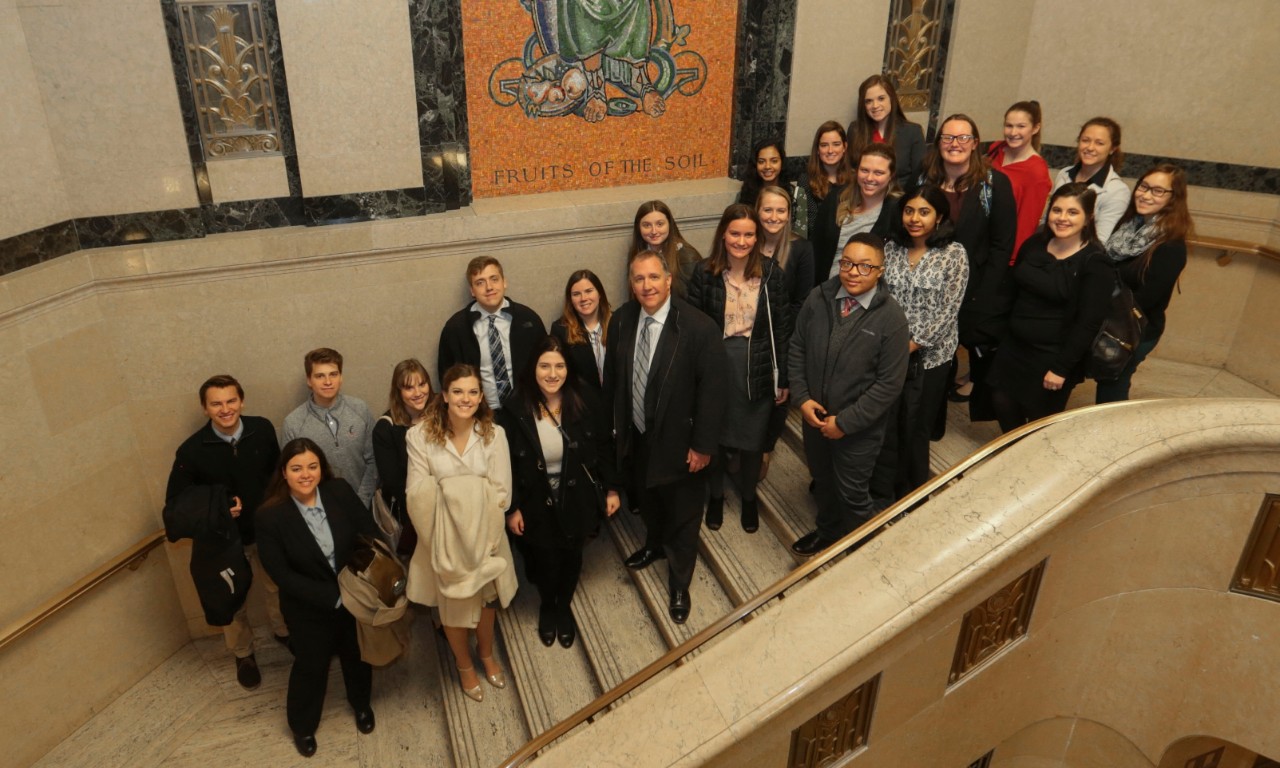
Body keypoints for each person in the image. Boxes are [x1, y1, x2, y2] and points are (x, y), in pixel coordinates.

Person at [607, 249, 728, 623]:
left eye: (654, 278)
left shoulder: (698, 327)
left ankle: (679, 581)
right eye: (639, 279)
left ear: (669, 280)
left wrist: (703, 446)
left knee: (684, 516)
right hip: (639, 438)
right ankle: (654, 545)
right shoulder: (624, 319)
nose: (647, 286)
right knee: (650, 501)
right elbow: (615, 380)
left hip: (683, 445)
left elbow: (714, 391)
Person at [255, 438, 381, 758]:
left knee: (357, 656)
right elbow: (280, 574)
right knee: (311, 667)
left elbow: (368, 533)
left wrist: (355, 584)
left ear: (321, 468)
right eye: (296, 468)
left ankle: (361, 705)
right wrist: (331, 596)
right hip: (307, 608)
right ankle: (302, 726)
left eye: (312, 466)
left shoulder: (338, 491)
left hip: (353, 597)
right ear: (284, 473)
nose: (305, 474)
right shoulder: (270, 517)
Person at [789, 233, 909, 555]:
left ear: (880, 271)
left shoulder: (892, 319)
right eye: (847, 263)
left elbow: (889, 384)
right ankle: (828, 531)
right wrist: (801, 397)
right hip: (815, 419)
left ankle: (861, 550)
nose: (853, 272)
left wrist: (845, 422)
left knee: (853, 493)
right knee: (823, 482)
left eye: (865, 266)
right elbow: (798, 346)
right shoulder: (819, 298)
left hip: (859, 430)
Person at [165, 374, 286, 689]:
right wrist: (218, 510)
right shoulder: (190, 452)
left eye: (231, 401)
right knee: (233, 602)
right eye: (216, 403)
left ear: (241, 401)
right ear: (205, 409)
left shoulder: (262, 430)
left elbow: (279, 475)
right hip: (222, 544)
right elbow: (176, 507)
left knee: (277, 588)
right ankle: (243, 653)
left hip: (266, 532)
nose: (225, 409)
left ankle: (284, 633)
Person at [405, 364, 517, 702]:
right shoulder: (419, 436)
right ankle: (464, 664)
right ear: (445, 395)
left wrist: (455, 492)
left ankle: (486, 654)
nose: (465, 398)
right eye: (457, 391)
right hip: (442, 540)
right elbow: (416, 493)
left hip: (487, 538)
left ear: (481, 396)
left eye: (472, 392)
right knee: (452, 607)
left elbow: (502, 494)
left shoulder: (494, 435)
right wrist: (466, 495)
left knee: (487, 602)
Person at [501, 336, 620, 648]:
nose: (552, 374)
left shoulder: (586, 400)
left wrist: (611, 489)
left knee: (571, 556)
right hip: (534, 503)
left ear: (569, 369)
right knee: (543, 560)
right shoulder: (514, 408)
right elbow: (504, 464)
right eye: (544, 366)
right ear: (533, 369)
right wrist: (512, 508)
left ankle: (563, 606)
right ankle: (547, 605)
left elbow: (605, 447)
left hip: (576, 499)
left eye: (559, 366)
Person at [686, 204, 792, 533]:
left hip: (756, 364)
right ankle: (716, 496)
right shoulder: (704, 273)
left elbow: (783, 329)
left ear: (757, 237)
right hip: (717, 365)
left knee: (751, 441)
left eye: (749, 234)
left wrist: (783, 377)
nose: (741, 241)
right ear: (723, 234)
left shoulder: (772, 274)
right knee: (715, 438)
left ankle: (748, 497)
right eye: (735, 233)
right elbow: (692, 329)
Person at [989, 183, 1113, 432]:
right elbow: (1011, 291)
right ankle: (1013, 452)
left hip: (1052, 355)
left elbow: (1088, 322)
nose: (1062, 218)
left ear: (1088, 218)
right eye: (1057, 210)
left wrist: (1061, 368)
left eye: (1072, 212)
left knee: (1038, 420)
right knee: (1001, 402)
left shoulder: (1095, 262)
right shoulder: (1034, 244)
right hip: (1014, 346)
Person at [921, 114, 1017, 419]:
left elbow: (1003, 244)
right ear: (939, 144)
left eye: (963, 138)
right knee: (933, 356)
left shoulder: (993, 184)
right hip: (929, 284)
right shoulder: (925, 180)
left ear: (975, 144)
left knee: (960, 347)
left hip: (973, 288)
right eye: (948, 138)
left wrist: (984, 293)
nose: (955, 144)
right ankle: (930, 416)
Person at [879, 185, 969, 491]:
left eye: (924, 211)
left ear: (939, 216)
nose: (914, 218)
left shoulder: (954, 254)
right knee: (889, 420)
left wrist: (914, 344)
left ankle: (911, 491)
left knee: (916, 425)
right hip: (890, 350)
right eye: (909, 210)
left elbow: (949, 308)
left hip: (931, 357)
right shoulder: (890, 248)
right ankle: (884, 486)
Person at [1096, 163, 1193, 403]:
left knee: (1113, 384)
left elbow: (1147, 298)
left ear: (1174, 198)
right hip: (1105, 318)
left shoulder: (1170, 245)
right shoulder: (1129, 225)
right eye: (1144, 186)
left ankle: (1112, 435)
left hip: (1135, 328)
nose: (1146, 195)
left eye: (1158, 191)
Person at [437, 256, 548, 412]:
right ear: (472, 291)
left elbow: (547, 364)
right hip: (480, 414)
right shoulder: (456, 328)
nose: (489, 287)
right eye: (480, 283)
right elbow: (447, 376)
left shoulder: (528, 320)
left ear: (504, 282)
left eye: (494, 279)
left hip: (527, 410)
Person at [282, 348, 378, 507]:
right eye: (320, 376)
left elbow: (373, 460)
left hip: (363, 504)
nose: (328, 382)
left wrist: (361, 501)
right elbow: (293, 475)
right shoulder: (293, 423)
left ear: (341, 377)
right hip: (318, 510)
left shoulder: (360, 410)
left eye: (333, 374)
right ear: (309, 380)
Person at [371, 359, 433, 557]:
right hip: (412, 513)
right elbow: (394, 482)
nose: (418, 393)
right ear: (398, 392)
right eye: (408, 387)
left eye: (422, 384)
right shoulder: (385, 428)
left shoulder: (442, 413)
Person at [815, 143, 899, 281]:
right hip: (827, 289)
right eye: (864, 170)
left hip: (867, 293)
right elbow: (816, 248)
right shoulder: (836, 199)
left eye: (878, 173)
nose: (870, 178)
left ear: (891, 175)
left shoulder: (897, 211)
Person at [986, 101, 1052, 260]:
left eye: (1021, 126)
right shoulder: (996, 149)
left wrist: (1010, 261)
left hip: (1001, 249)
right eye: (1009, 126)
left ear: (1035, 128)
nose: (1013, 132)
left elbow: (1026, 224)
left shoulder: (1036, 172)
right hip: (980, 237)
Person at [1052, 117, 1129, 243]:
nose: (1090, 147)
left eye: (1099, 143)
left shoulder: (1117, 191)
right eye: (1085, 140)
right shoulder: (1064, 174)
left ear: (1112, 148)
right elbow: (1048, 219)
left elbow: (1101, 240)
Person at [846, 74, 925, 187]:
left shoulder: (913, 132)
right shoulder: (855, 130)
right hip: (862, 196)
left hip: (899, 198)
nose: (875, 105)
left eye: (881, 98)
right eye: (868, 101)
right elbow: (850, 170)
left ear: (892, 99)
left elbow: (919, 176)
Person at [550, 269, 612, 395]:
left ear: (599, 293)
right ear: (570, 300)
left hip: (616, 405)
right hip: (581, 406)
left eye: (589, 291)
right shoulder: (560, 330)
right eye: (576, 294)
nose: (583, 298)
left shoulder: (618, 323)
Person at [793, 121, 853, 246]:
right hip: (817, 246)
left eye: (836, 144)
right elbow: (809, 225)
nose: (830, 150)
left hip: (849, 245)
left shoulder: (855, 179)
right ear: (818, 150)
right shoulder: (805, 180)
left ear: (844, 147)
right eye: (824, 145)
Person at [628, 200, 704, 299]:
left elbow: (695, 301)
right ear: (639, 228)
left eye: (660, 224)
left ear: (669, 224)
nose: (654, 231)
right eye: (647, 225)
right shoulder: (637, 254)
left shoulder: (687, 256)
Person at [737, 137, 787, 208]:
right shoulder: (746, 194)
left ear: (782, 162)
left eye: (774, 161)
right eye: (761, 161)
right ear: (755, 164)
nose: (767, 166)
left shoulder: (796, 194)